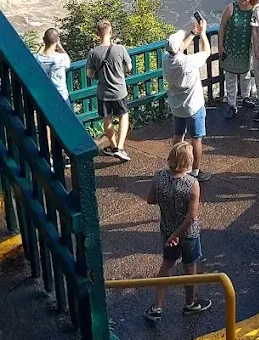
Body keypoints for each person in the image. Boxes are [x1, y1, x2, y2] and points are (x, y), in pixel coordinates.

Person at [143, 141, 213, 323]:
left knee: (167, 264)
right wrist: (177, 234)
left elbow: (150, 200)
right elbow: (191, 217)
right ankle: (190, 303)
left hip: (167, 229)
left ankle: (157, 307)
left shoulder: (159, 176)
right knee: (189, 266)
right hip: (188, 233)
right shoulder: (192, 184)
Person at [162, 17, 215, 181]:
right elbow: (207, 52)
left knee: (178, 135)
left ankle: (175, 164)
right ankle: (195, 171)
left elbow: (178, 48)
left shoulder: (166, 59)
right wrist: (203, 34)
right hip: (194, 106)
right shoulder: (188, 62)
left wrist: (193, 33)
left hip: (177, 106)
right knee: (196, 138)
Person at [85, 19, 131, 162]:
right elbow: (129, 68)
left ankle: (113, 146)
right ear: (110, 32)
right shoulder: (120, 49)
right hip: (119, 91)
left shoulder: (93, 53)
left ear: (97, 33)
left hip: (103, 93)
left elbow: (89, 74)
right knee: (123, 116)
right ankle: (120, 148)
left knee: (107, 120)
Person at [218, 0, 259, 120]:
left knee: (245, 76)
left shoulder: (254, 10)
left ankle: (246, 98)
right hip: (230, 48)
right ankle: (231, 105)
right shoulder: (231, 8)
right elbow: (222, 27)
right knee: (230, 77)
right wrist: (220, 45)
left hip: (244, 50)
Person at [34, 27, 71, 103]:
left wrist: (43, 47)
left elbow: (36, 57)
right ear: (57, 40)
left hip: (44, 97)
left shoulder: (36, 58)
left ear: (43, 39)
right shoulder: (61, 58)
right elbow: (68, 61)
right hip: (61, 96)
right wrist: (59, 46)